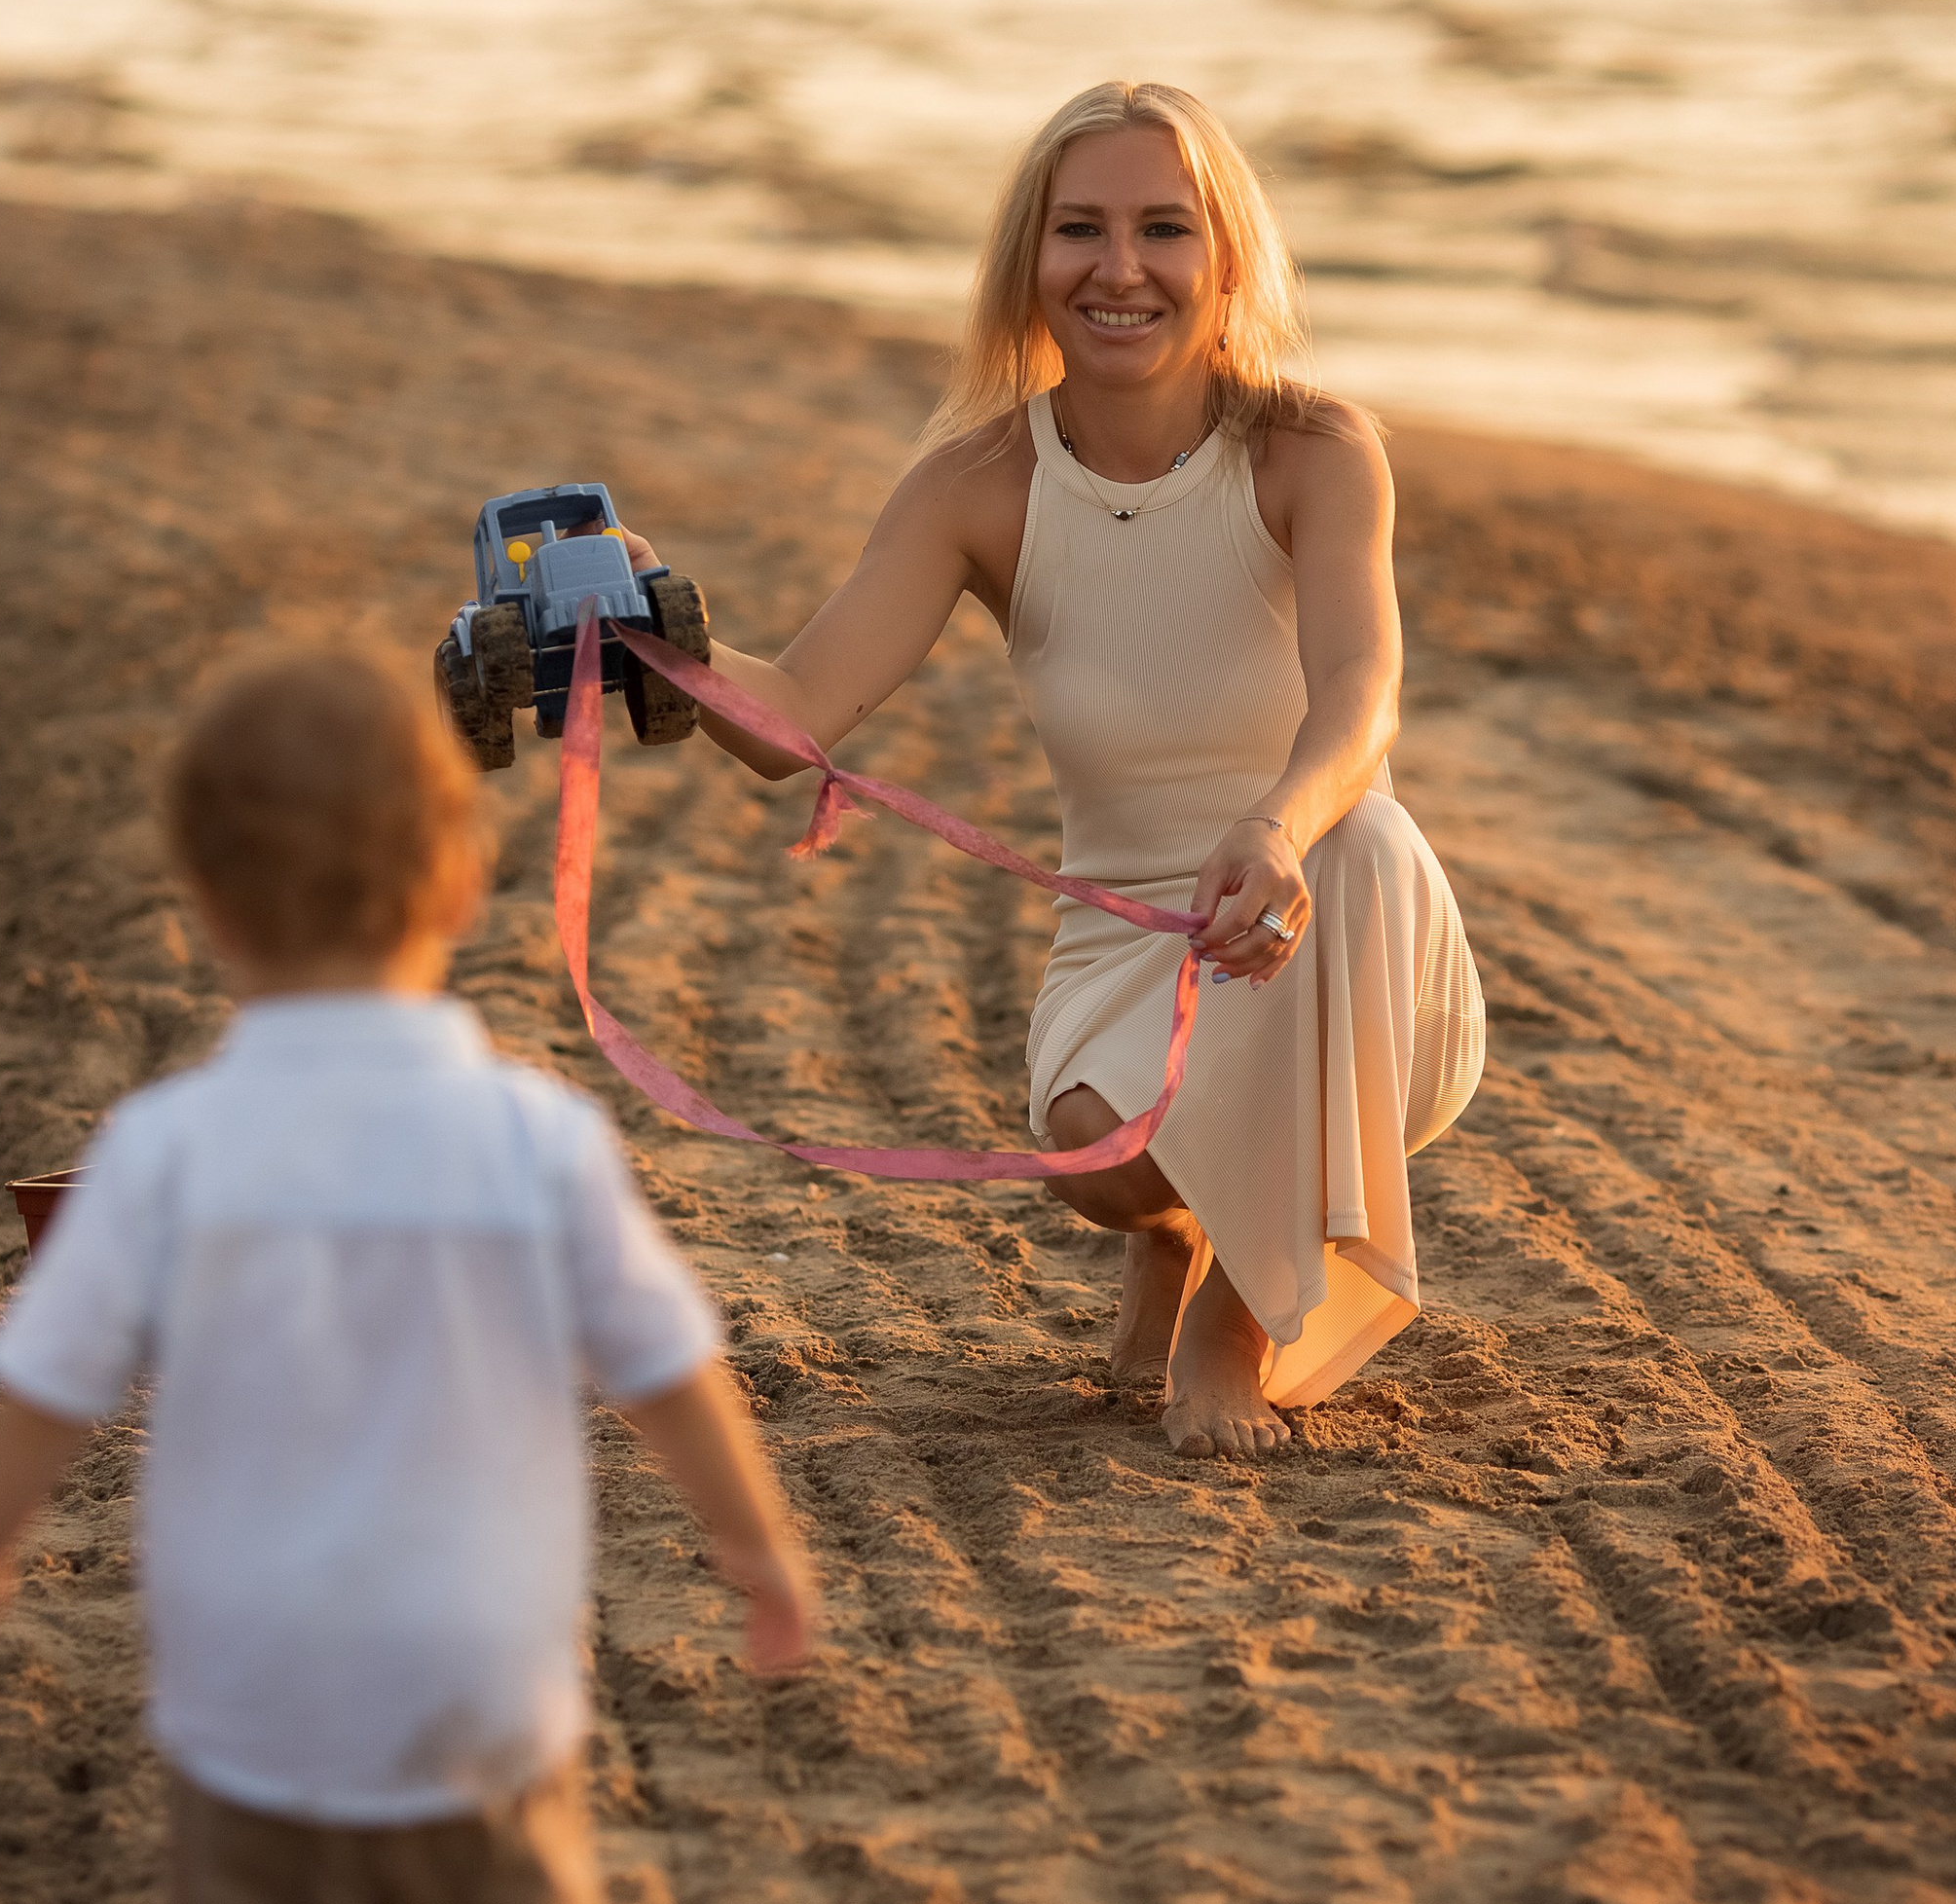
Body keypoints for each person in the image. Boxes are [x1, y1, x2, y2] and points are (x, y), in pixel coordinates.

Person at [0, 649, 815, 1904]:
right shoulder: (537, 1136)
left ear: (207, 900)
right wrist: (758, 1557)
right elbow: (671, 1372)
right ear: (458, 883)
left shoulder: (164, 1149)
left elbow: (47, 1385)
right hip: (482, 1694)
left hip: (255, 1706)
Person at [622, 77, 1485, 1463]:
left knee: (1367, 841)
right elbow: (796, 718)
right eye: (1080, 229)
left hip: (1332, 946)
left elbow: (1362, 691)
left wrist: (1275, 827)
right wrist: (656, 626)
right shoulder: (979, 484)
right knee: (1105, 1159)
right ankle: (1180, 1223)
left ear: (1227, 261)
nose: (1121, 268)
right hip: (1130, 940)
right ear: (1030, 260)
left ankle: (1237, 1325)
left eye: (1165, 228)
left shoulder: (1315, 451)